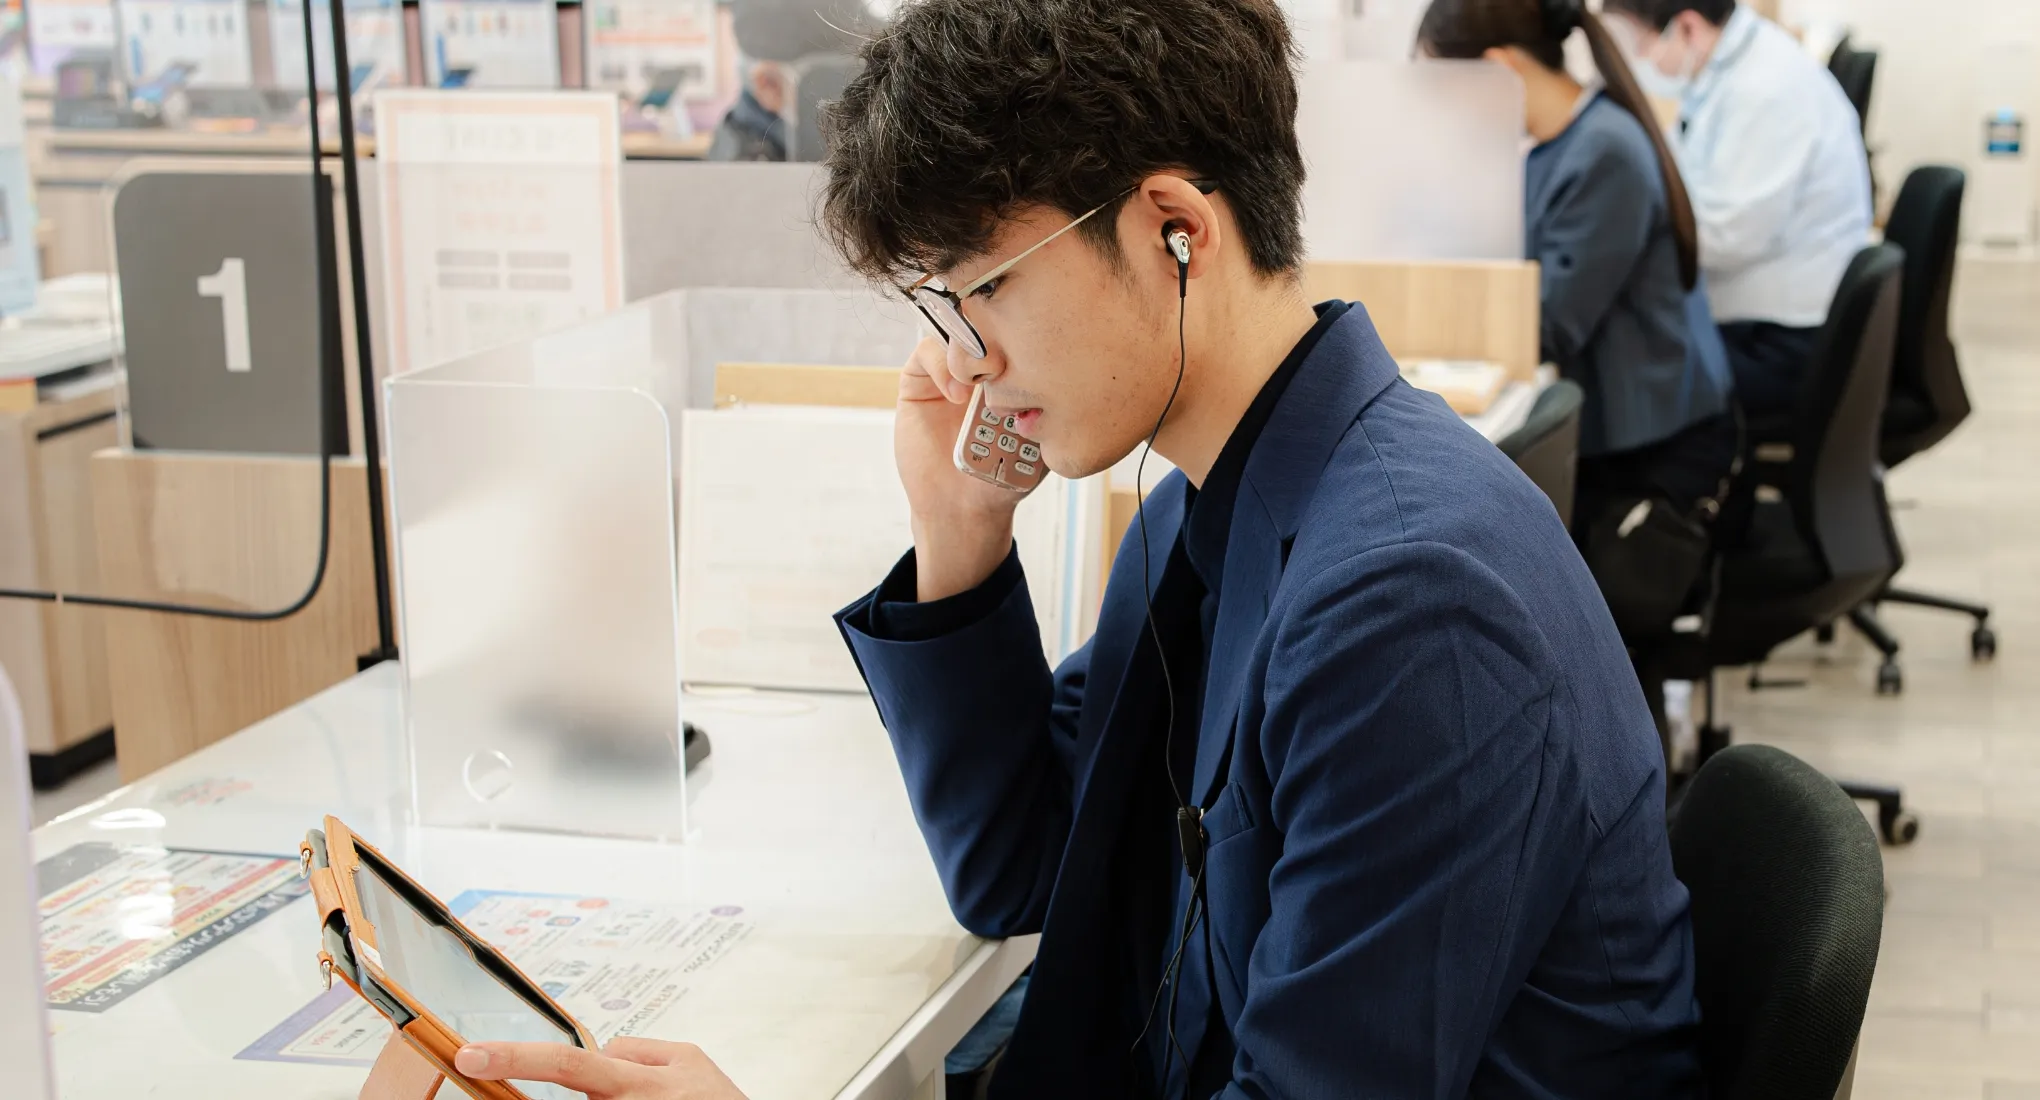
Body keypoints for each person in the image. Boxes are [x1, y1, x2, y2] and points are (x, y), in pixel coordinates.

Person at [453, 0, 1704, 1096]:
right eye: (944, 304)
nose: (963, 357)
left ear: (1174, 230)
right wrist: (960, 529)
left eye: (984, 287)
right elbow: (1024, 865)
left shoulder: (1408, 600)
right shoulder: (1206, 508)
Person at [1419, 0, 1737, 530]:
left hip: (1653, 450)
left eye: (1444, 89)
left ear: (1498, 69)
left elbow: (1550, 322)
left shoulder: (1602, 152)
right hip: (1621, 430)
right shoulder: (1559, 143)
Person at [1602, 0, 1872, 422]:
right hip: (1763, 317)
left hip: (1780, 344)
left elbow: (1724, 240)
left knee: (1614, 379)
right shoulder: (1729, 68)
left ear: (1688, 27)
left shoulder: (1766, 89)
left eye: (1640, 41)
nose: (1640, 58)